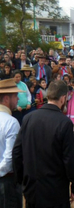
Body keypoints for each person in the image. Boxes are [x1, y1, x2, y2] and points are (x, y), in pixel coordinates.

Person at [12, 80, 74, 208]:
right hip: (56, 191)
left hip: (32, 188)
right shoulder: (64, 123)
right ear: (63, 98)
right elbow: (69, 159)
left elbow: (17, 152)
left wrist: (21, 180)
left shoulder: (28, 118)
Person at [0, 79, 23, 208]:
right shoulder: (11, 122)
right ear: (7, 99)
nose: (18, 99)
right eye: (15, 96)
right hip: (6, 181)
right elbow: (10, 159)